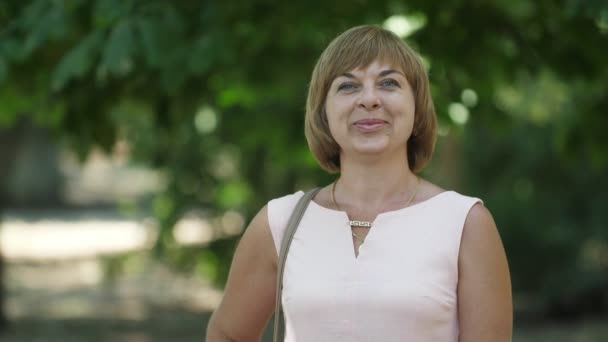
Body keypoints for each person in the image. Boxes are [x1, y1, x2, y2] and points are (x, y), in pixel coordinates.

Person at [206, 25, 512, 341]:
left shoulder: (465, 224)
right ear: (323, 113)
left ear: (417, 108)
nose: (369, 99)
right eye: (348, 86)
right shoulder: (280, 223)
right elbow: (227, 334)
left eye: (389, 83)